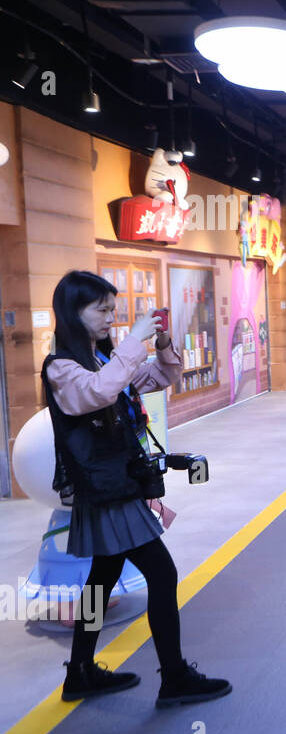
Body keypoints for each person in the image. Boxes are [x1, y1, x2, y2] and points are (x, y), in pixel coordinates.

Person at [42, 270, 230, 707]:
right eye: (102, 310)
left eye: (113, 309)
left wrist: (161, 343)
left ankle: (80, 673)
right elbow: (96, 394)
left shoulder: (104, 359)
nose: (111, 318)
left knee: (100, 581)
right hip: (106, 490)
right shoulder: (62, 367)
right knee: (162, 574)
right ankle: (174, 677)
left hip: (115, 483)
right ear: (73, 312)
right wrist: (132, 342)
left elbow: (161, 377)